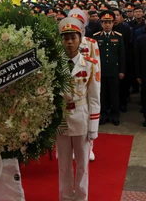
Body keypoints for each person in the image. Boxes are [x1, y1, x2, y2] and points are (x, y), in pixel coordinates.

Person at [56, 17, 100, 201]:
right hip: (62, 118)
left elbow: (95, 97)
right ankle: (65, 197)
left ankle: (82, 197)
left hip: (82, 116)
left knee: (82, 165)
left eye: (73, 37)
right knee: (64, 165)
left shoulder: (90, 63)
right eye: (65, 38)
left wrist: (94, 127)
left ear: (80, 38)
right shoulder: (54, 64)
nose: (69, 42)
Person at [93, 10, 125, 125]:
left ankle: (115, 115)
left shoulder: (118, 37)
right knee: (102, 94)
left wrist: (122, 71)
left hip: (114, 71)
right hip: (100, 71)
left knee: (114, 94)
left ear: (113, 23)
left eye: (109, 22)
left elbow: (122, 55)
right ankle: (104, 114)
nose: (107, 25)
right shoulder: (96, 37)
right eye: (105, 22)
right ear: (101, 23)